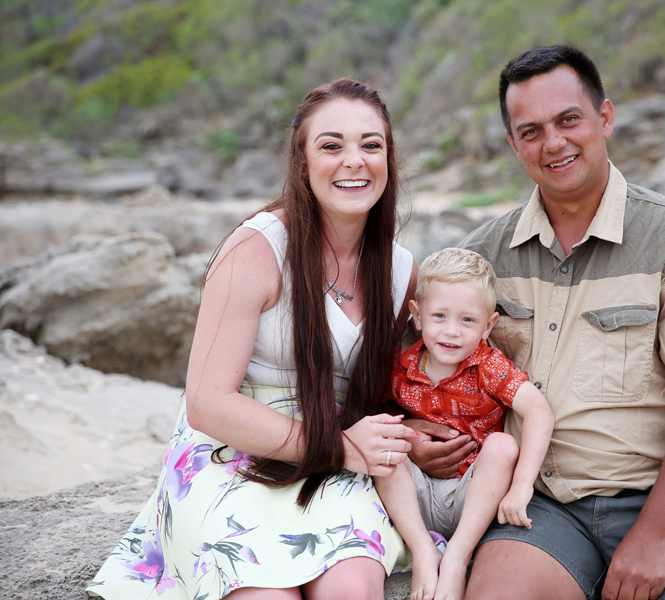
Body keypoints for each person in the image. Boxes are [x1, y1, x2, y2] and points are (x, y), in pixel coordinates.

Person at [407, 46, 665, 600]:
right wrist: (414, 436)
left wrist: (655, 536)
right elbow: (415, 363)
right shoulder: (482, 257)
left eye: (568, 120)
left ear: (605, 118)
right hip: (536, 505)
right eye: (530, 131)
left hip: (659, 499)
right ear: (513, 145)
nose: (553, 143)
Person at [87, 78, 426, 600]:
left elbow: (382, 393)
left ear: (389, 158)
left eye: (371, 145)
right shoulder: (255, 250)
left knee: (353, 587)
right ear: (302, 161)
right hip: (234, 449)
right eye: (331, 146)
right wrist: (336, 447)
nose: (354, 161)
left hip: (337, 457)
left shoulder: (400, 272)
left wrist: (414, 434)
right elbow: (207, 402)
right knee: (262, 593)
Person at [374, 248, 554, 600]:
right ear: (417, 316)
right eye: (439, 316)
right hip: (414, 497)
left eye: (468, 320)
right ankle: (423, 550)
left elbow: (539, 412)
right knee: (383, 440)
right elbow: (367, 409)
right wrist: (406, 428)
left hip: (473, 498)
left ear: (488, 326)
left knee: (502, 445)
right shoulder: (402, 366)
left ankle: (457, 556)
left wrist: (522, 486)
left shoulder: (488, 367)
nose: (452, 331)